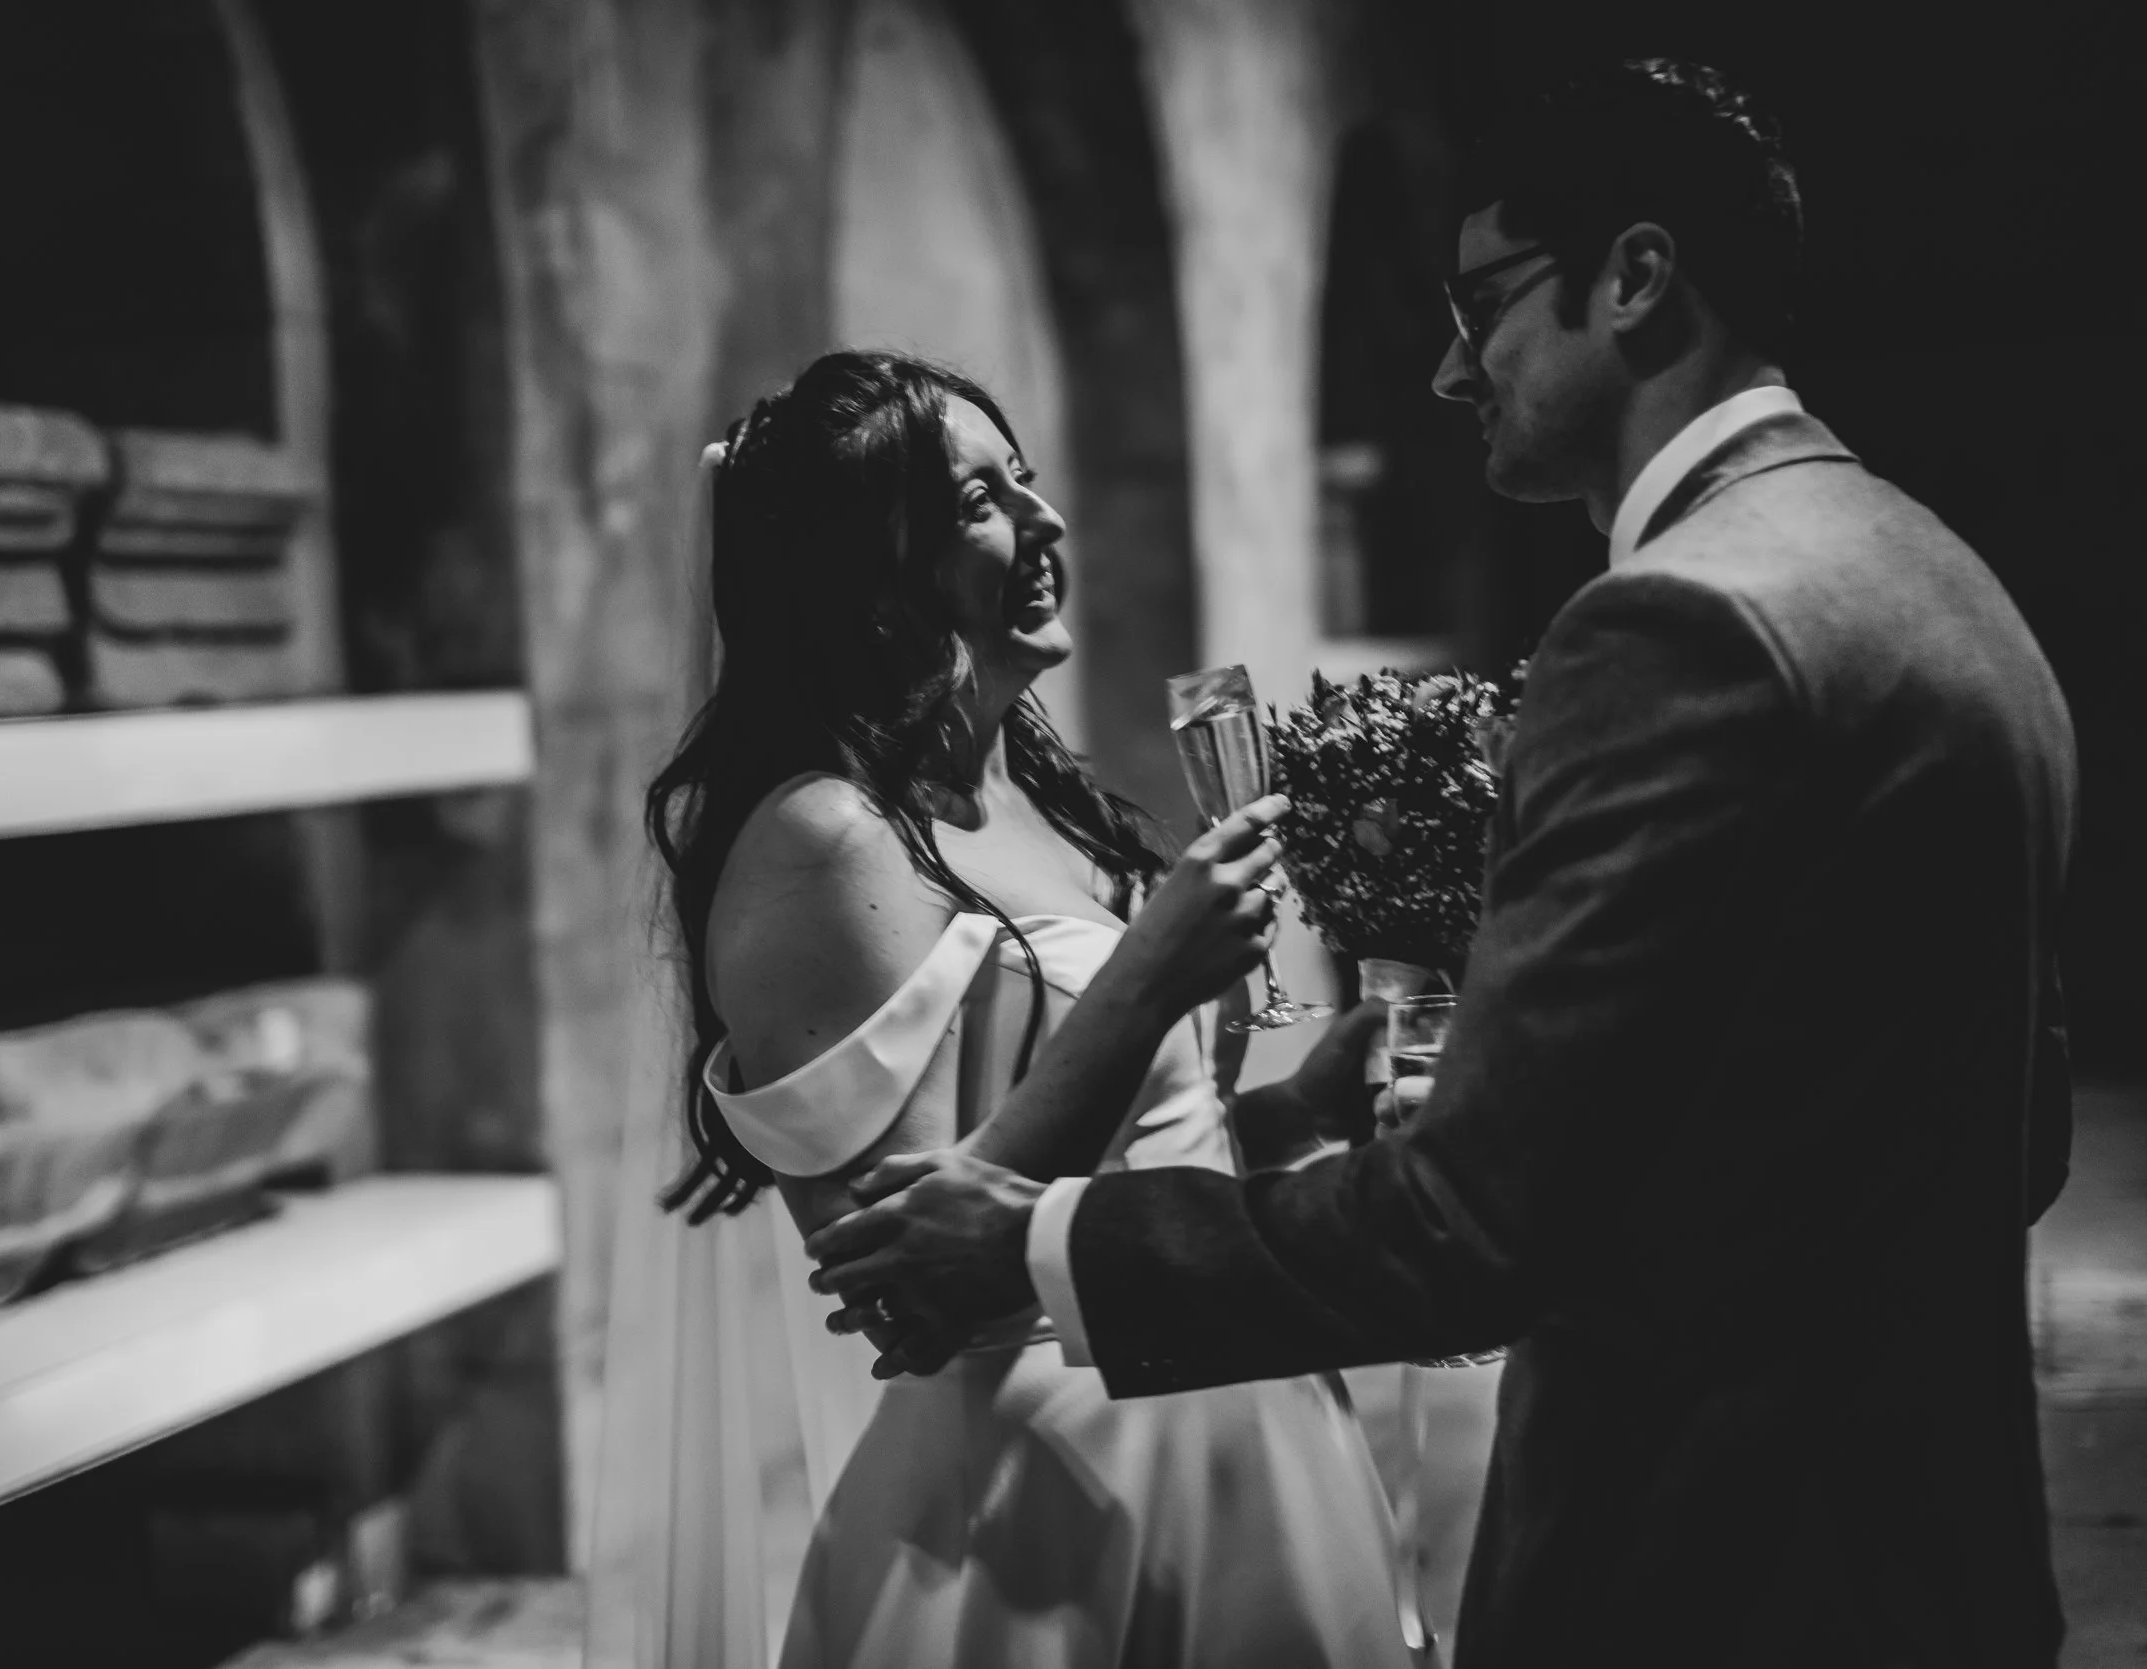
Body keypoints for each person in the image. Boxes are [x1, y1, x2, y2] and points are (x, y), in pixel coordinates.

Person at [806, 60, 2077, 1668]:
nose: (1446, 369)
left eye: (1484, 304)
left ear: (1634, 277)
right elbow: (2012, 1137)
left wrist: (1030, 1239)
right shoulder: (1938, 574)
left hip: (1721, 1556)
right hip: (1933, 1541)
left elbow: (1475, 1237)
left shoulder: (1675, 626)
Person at [637, 349, 1413, 1666]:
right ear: (871, 569)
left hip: (1238, 1423)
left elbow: (1139, 1158)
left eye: (1027, 482)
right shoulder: (822, 843)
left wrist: (1296, 1112)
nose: (1043, 521)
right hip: (1034, 1510)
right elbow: (918, 1286)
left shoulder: (1045, 801)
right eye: (980, 499)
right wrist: (1152, 974)